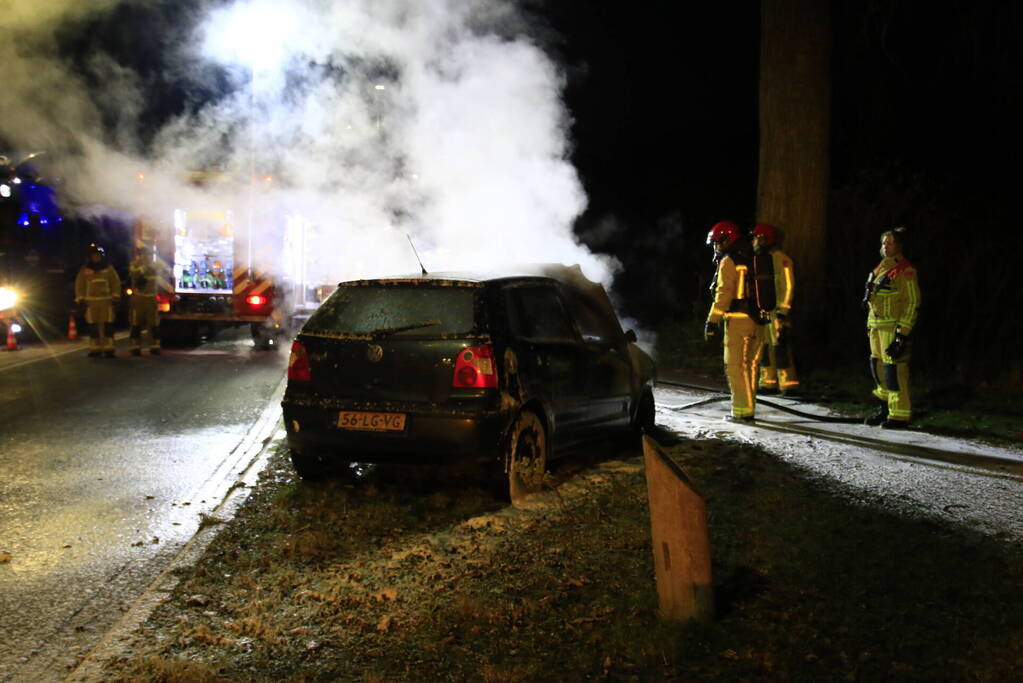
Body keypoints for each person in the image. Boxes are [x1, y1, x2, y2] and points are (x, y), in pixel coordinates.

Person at [704, 220, 766, 422]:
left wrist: (712, 321)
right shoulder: (751, 256)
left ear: (725, 239)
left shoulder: (729, 261)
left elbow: (724, 294)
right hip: (757, 319)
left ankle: (741, 412)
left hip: (738, 321)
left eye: (717, 242)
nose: (716, 247)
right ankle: (748, 408)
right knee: (749, 367)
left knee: (735, 367)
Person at [862, 227, 920, 428]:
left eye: (890, 243)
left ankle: (899, 414)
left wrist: (902, 334)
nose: (885, 246)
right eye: (883, 242)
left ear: (899, 246)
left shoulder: (905, 271)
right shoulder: (879, 269)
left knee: (894, 370)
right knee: (878, 368)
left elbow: (912, 303)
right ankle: (884, 407)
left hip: (892, 328)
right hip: (876, 328)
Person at [751, 222, 799, 395]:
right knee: (765, 348)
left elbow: (788, 286)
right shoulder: (759, 260)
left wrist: (783, 312)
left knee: (780, 348)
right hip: (764, 312)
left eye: (757, 238)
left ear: (765, 240)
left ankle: (788, 385)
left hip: (778, 312)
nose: (754, 241)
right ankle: (768, 383)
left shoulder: (782, 259)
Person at [74, 243, 121, 358]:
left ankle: (109, 348)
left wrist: (115, 296)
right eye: (94, 255)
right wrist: (80, 298)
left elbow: (115, 283)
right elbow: (79, 284)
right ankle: (95, 349)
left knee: (108, 325)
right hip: (91, 303)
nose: (96, 257)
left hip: (106, 302)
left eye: (98, 255)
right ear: (90, 257)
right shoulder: (85, 270)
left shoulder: (108, 269)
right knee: (93, 326)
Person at [128, 240, 168, 356]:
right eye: (146, 254)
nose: (148, 257)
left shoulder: (155, 265)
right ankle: (135, 347)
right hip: (138, 300)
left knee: (154, 325)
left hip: (151, 300)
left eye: (150, 255)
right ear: (141, 255)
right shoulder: (135, 265)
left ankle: (154, 346)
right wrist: (144, 268)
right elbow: (133, 274)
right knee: (136, 324)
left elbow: (166, 272)